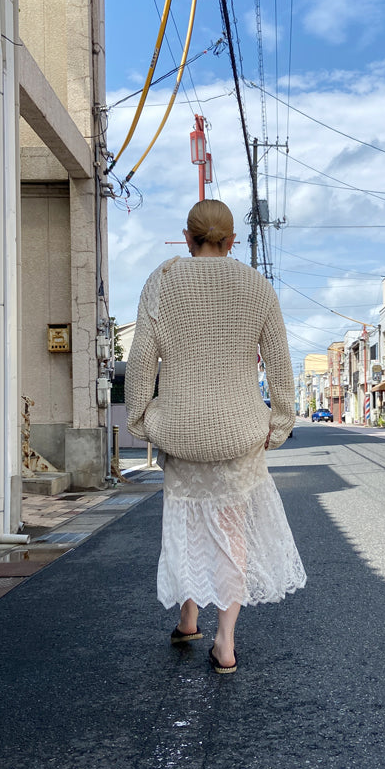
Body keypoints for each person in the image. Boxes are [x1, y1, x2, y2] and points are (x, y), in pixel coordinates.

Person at [126, 199, 306, 674]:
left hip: (182, 430)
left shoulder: (162, 282)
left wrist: (142, 418)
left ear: (187, 238)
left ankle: (189, 619)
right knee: (231, 533)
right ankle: (225, 643)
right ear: (231, 242)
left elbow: (142, 358)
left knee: (185, 522)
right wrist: (281, 423)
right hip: (239, 431)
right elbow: (281, 364)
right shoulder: (256, 286)